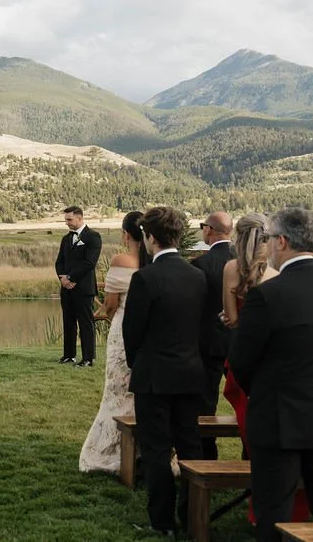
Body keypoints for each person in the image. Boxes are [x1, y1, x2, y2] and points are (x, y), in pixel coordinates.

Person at [228, 208, 313, 542]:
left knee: (274, 512)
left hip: (277, 420)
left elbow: (241, 360)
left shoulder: (267, 296)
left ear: (281, 242)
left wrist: (263, 391)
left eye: (268, 239)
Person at [123, 206, 209, 535]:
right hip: (190, 374)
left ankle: (162, 522)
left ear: (151, 238)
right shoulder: (197, 275)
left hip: (155, 376)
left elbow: (133, 333)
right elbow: (201, 328)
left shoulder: (145, 278)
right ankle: (192, 515)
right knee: (190, 446)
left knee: (157, 449)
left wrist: (138, 364)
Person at [220, 212, 310, 526]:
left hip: (241, 361)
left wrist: (231, 318)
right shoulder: (276, 273)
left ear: (238, 237)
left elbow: (232, 320)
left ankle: (260, 506)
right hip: (270, 364)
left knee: (251, 433)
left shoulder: (232, 269)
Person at [79, 211, 148, 474]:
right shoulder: (152, 262)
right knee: (137, 390)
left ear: (126, 235)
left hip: (122, 329)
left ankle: (111, 451)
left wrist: (103, 313)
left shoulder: (122, 259)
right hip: (146, 332)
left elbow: (110, 303)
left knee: (117, 390)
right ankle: (141, 450)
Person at [190, 211, 234, 460]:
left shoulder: (200, 265)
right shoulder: (244, 261)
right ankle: (249, 455)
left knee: (205, 404)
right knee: (247, 401)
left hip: (207, 343)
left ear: (209, 230)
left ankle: (207, 455)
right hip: (238, 342)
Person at [54, 206, 102, 367]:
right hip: (66, 288)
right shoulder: (66, 239)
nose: (66, 223)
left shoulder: (93, 237)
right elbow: (59, 262)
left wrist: (71, 277)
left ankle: (88, 358)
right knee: (68, 322)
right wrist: (63, 279)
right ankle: (69, 355)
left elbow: (90, 262)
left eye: (69, 219)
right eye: (65, 219)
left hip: (83, 288)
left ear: (80, 218)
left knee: (86, 323)